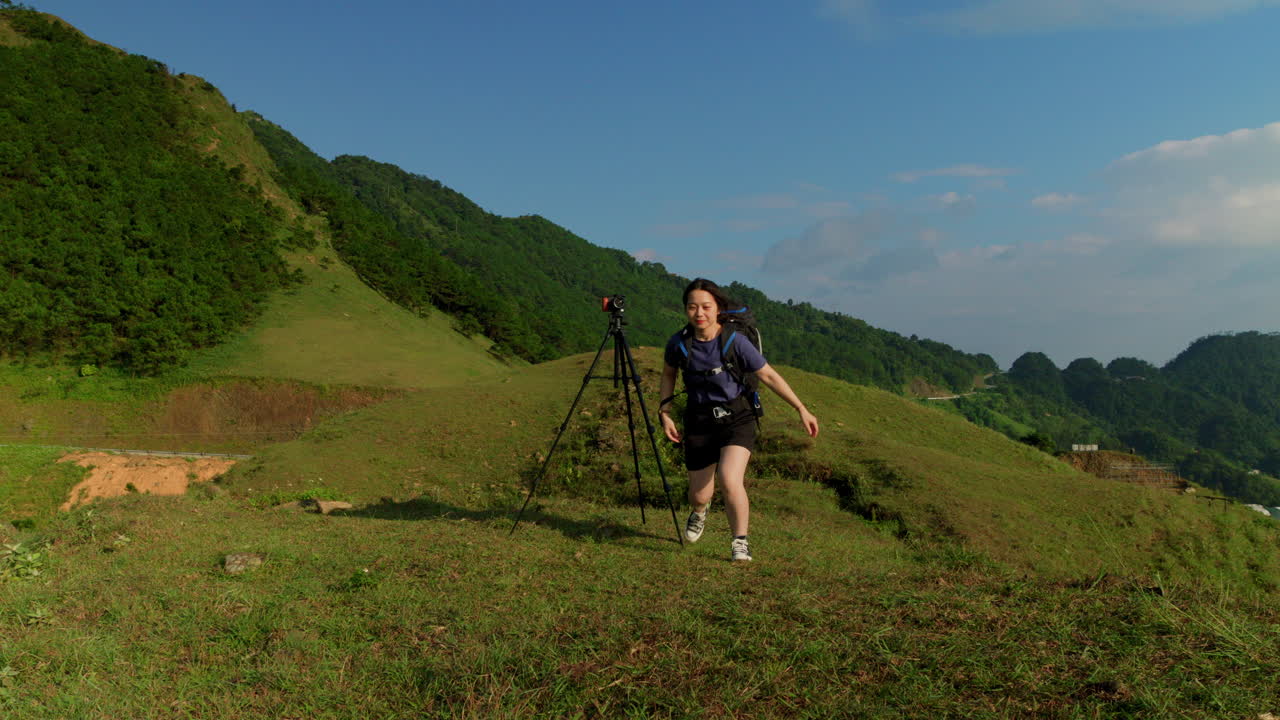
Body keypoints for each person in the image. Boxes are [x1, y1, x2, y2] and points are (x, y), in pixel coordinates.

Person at [658, 278, 819, 562]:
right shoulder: (679, 343)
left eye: (706, 307)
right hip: (698, 421)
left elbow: (768, 375)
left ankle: (740, 542)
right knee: (699, 495)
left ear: (718, 308)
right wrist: (665, 412)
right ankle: (699, 512)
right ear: (685, 310)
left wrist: (801, 409)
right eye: (692, 307)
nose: (699, 313)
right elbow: (669, 373)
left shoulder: (736, 341)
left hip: (737, 418)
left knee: (730, 479)